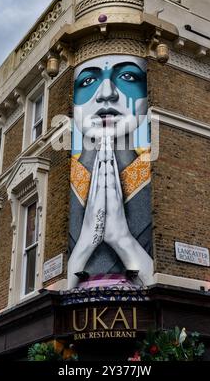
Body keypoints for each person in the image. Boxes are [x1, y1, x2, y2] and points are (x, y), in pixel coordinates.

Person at [68, 55, 153, 289]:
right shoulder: (63, 181)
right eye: (87, 82)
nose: (107, 92)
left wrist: (123, 239)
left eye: (127, 76)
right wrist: (86, 243)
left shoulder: (158, 174)